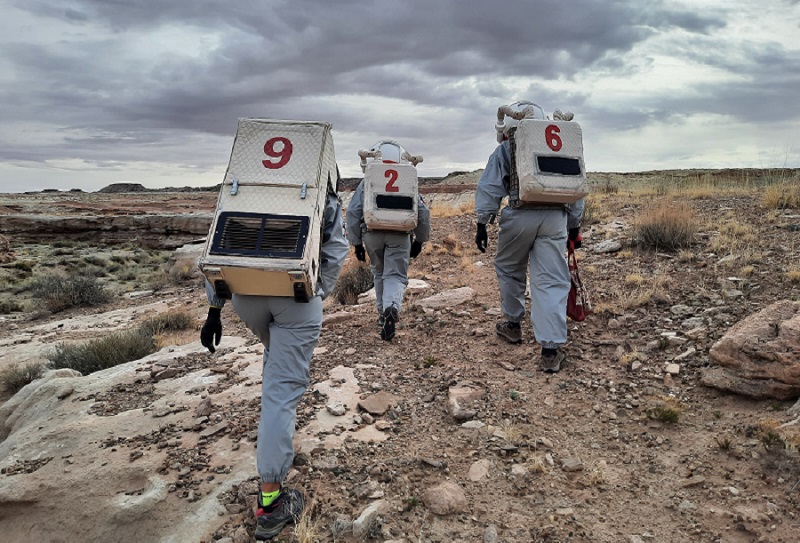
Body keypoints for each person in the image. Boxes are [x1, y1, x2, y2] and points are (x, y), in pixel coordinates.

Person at [200, 186, 348, 540]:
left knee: (275, 365)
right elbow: (336, 248)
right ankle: (271, 503)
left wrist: (214, 308)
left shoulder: (248, 187)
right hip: (295, 296)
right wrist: (317, 291)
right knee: (281, 394)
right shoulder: (322, 196)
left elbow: (220, 243)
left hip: (245, 296)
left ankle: (275, 444)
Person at [474, 100, 584, 373]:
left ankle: (512, 326)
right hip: (555, 219)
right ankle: (550, 350)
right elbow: (575, 184)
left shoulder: (506, 148)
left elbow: (490, 186)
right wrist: (573, 224)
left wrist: (482, 221)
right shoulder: (560, 144)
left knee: (510, 269)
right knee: (550, 281)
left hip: (519, 215)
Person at [346, 140, 431, 341]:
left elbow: (353, 211)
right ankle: (391, 307)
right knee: (395, 275)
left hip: (372, 233)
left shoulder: (368, 180)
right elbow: (423, 212)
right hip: (399, 235)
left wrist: (356, 243)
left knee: (379, 272)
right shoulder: (406, 180)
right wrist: (420, 240)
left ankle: (382, 315)